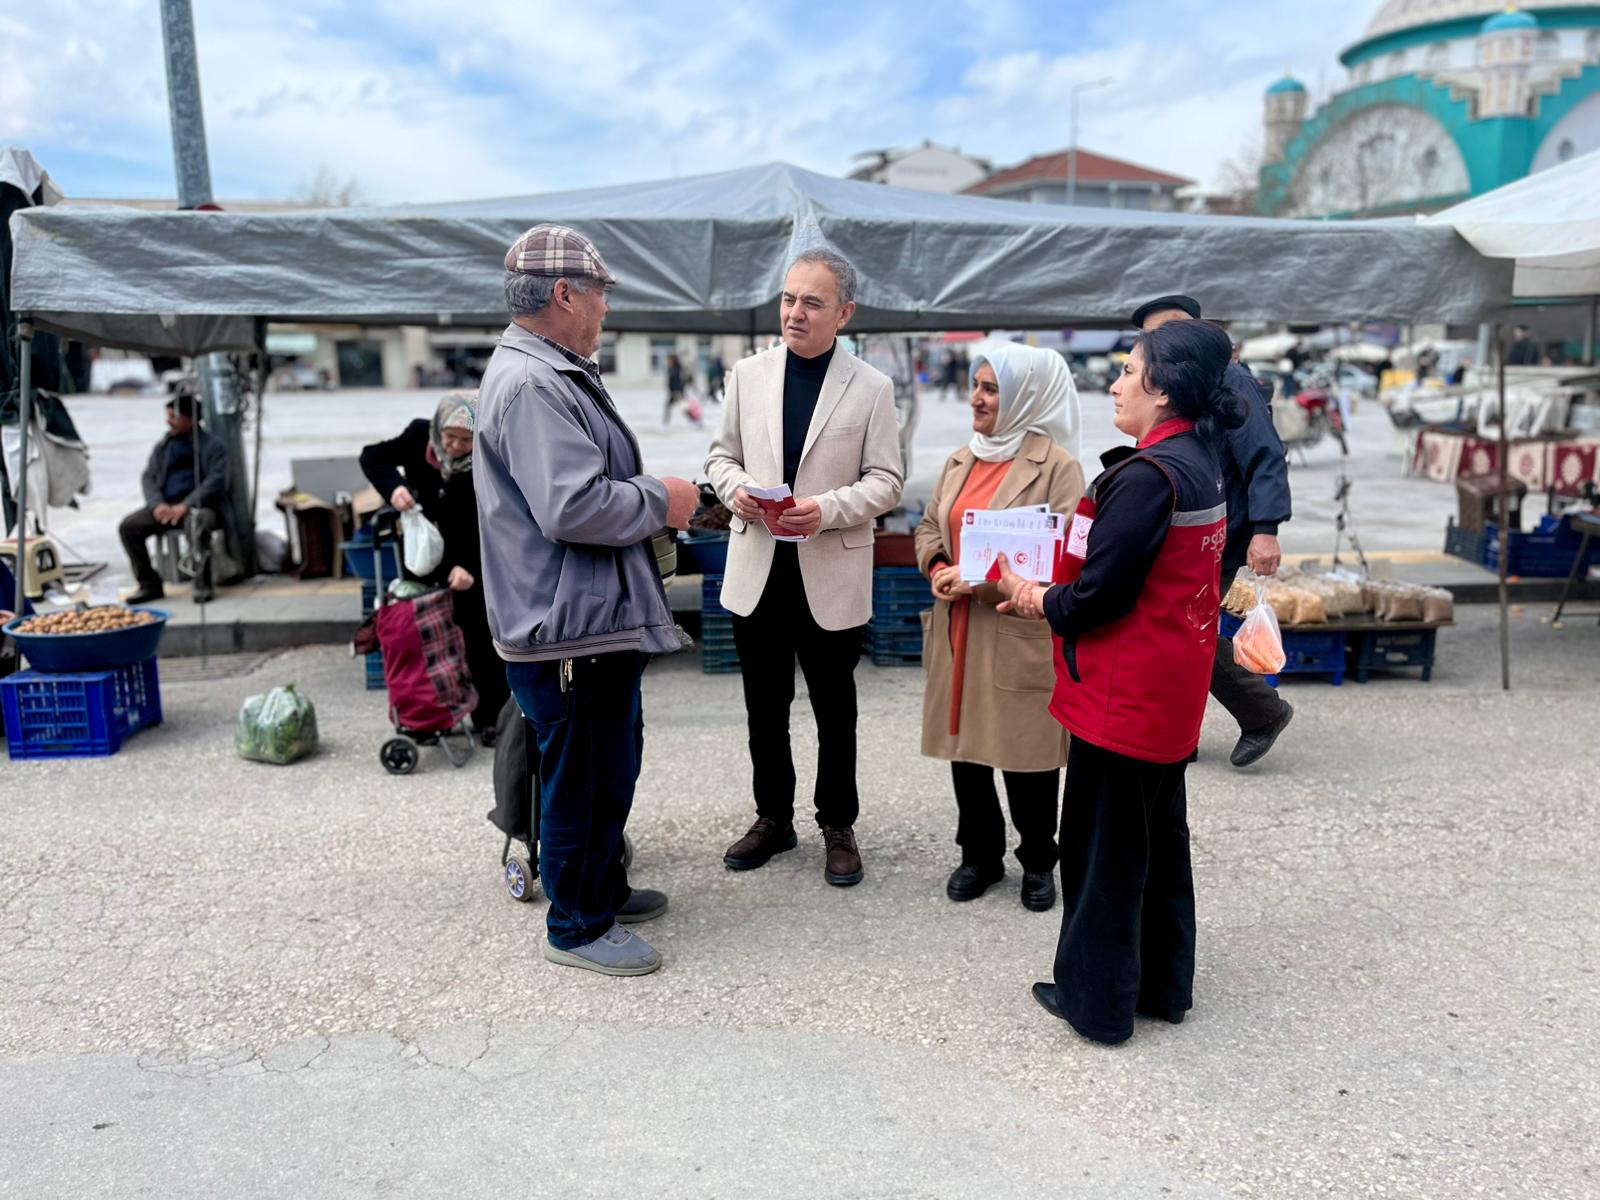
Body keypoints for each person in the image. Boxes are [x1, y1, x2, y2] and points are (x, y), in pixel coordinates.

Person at [994, 318, 1243, 1045]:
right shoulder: (1201, 460)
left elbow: (1099, 596)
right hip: (1169, 691)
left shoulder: (1146, 479)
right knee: (1158, 845)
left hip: (1122, 696)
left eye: (1129, 372)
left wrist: (1034, 596)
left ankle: (1096, 1004)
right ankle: (1163, 987)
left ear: (1163, 390)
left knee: (1102, 853)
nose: (1116, 383)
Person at [474, 223, 699, 978]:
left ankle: (601, 887)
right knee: (582, 776)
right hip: (568, 625)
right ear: (565, 293)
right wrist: (660, 498)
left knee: (608, 763)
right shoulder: (536, 382)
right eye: (600, 292)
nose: (606, 307)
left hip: (582, 617)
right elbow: (571, 508)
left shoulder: (552, 369)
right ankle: (576, 924)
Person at [705, 248, 904, 886]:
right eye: (790, 299)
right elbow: (719, 456)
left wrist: (827, 508)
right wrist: (732, 488)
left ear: (843, 313)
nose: (795, 312)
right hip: (757, 565)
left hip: (829, 568)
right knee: (764, 705)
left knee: (833, 706)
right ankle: (773, 818)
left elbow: (888, 481)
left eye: (812, 303)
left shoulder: (871, 387)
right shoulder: (748, 374)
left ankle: (837, 822)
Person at [915, 344, 1085, 911]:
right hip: (959, 626)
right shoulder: (962, 459)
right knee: (967, 748)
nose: (977, 399)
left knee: (1025, 753)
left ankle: (1039, 860)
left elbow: (1062, 556)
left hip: (1015, 624)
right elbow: (926, 526)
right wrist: (938, 567)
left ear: (1024, 398)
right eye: (976, 386)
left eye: (991, 389)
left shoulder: (1057, 466)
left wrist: (979, 580)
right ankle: (979, 854)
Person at [1131, 296, 1294, 768]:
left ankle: (1261, 711)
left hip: (1223, 533)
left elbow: (1265, 456)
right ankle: (1180, 730)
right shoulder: (1178, 383)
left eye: (1163, 335)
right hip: (1188, 527)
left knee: (1189, 628)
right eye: (1149, 340)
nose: (1155, 347)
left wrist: (1266, 530)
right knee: (1179, 626)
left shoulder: (1230, 379)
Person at [358, 391, 508, 745]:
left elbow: (497, 522)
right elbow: (372, 457)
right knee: (425, 638)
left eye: (465, 440)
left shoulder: (493, 457)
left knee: (477, 638)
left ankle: (489, 717)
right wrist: (393, 488)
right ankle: (427, 719)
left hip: (471, 558)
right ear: (438, 428)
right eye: (449, 437)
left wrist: (469, 568)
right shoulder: (416, 436)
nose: (455, 446)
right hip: (424, 560)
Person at [120, 392, 226, 605]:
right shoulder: (164, 446)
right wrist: (157, 504)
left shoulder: (213, 446)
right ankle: (149, 584)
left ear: (191, 419)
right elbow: (148, 477)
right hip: (165, 506)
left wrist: (186, 506)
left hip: (200, 507)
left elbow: (216, 481)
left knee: (197, 524)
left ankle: (202, 584)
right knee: (129, 527)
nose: (168, 421)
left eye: (174, 416)